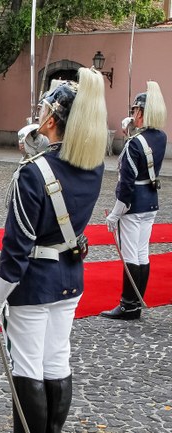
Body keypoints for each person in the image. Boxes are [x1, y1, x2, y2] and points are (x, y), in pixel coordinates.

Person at [0, 68, 107, 433]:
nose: (37, 115)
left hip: (35, 281)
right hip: (69, 275)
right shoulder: (94, 166)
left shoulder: (33, 172)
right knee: (56, 360)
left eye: (42, 110)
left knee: (27, 366)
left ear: (51, 119)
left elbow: (16, 248)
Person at [101, 82, 167, 320]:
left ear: (140, 113)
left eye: (134, 111)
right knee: (142, 253)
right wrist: (133, 133)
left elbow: (126, 183)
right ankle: (136, 302)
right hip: (150, 201)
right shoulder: (161, 136)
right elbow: (146, 155)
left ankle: (128, 305)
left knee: (130, 255)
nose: (131, 114)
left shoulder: (133, 144)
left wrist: (115, 213)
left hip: (133, 203)